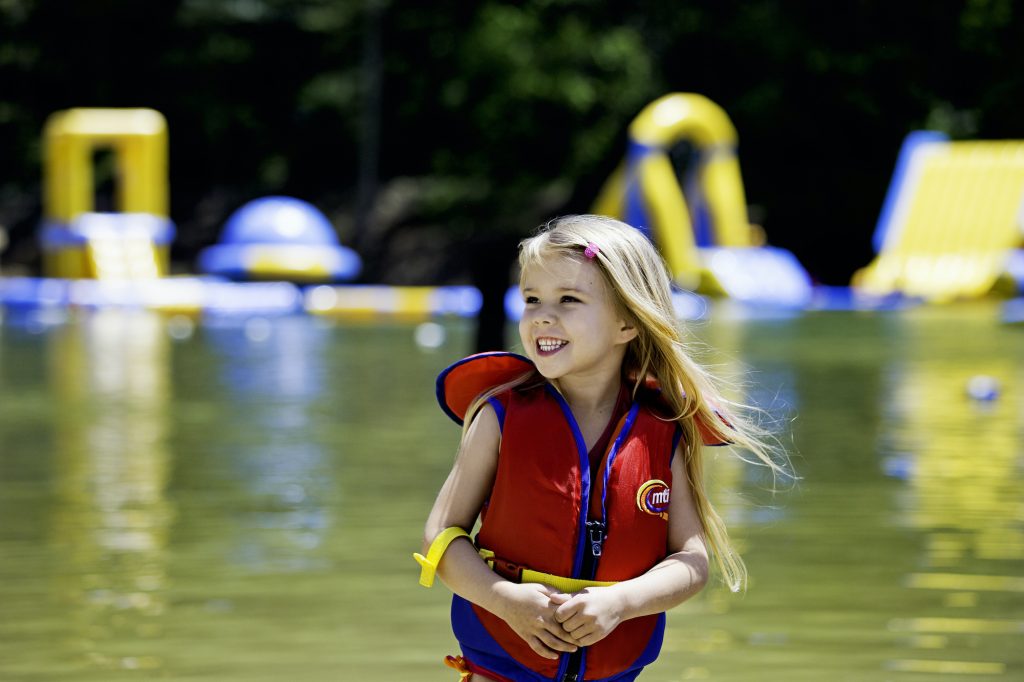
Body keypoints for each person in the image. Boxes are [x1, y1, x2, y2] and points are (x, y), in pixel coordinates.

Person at [415, 215, 789, 681]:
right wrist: (502, 599)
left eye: (568, 299)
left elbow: (692, 561)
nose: (542, 316)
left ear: (628, 323)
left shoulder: (663, 429)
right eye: (531, 299)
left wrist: (621, 602)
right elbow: (441, 535)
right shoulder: (500, 415)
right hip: (502, 665)